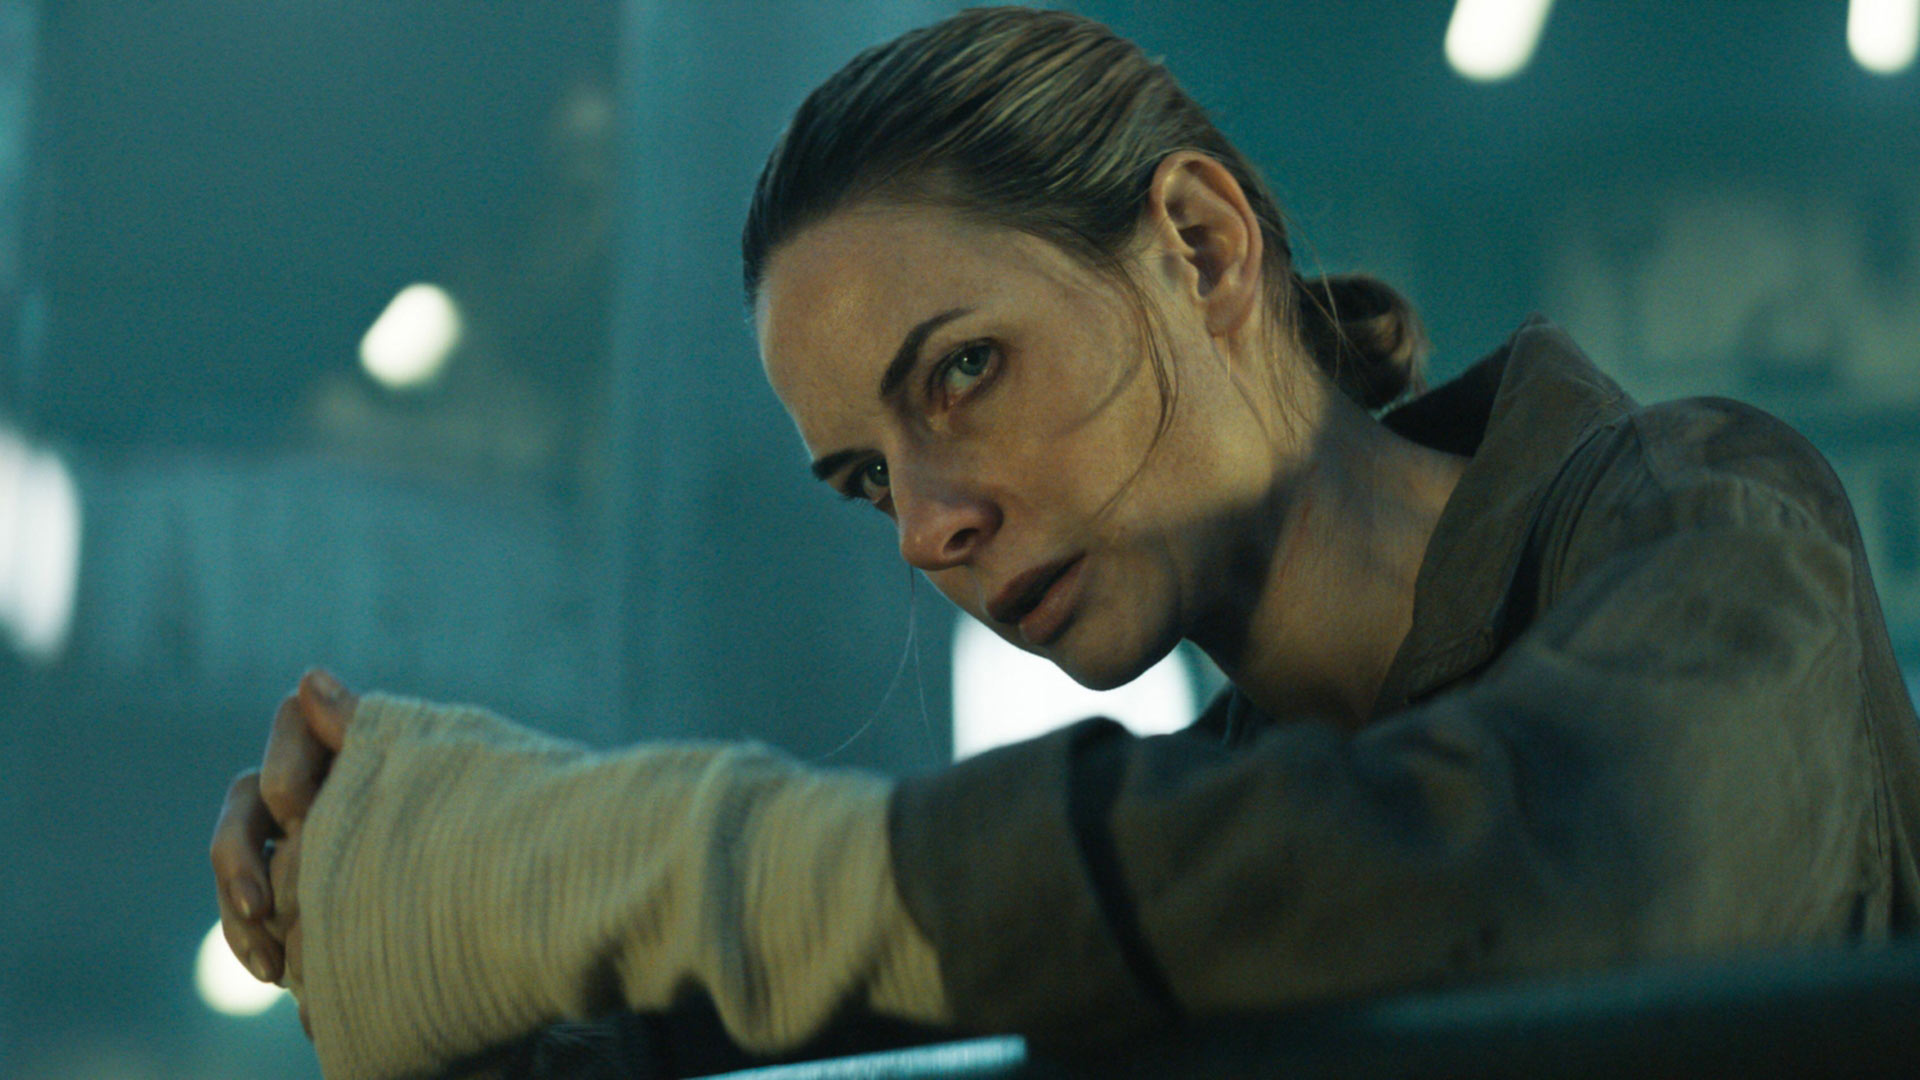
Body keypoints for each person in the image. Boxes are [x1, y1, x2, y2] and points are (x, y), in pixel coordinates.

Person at [210, 7, 1920, 1079]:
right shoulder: (1196, 856)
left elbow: (1596, 870)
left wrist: (644, 863)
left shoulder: (1704, 509)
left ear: (1199, 246)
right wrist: (417, 928)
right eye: (866, 480)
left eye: (963, 372)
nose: (926, 529)